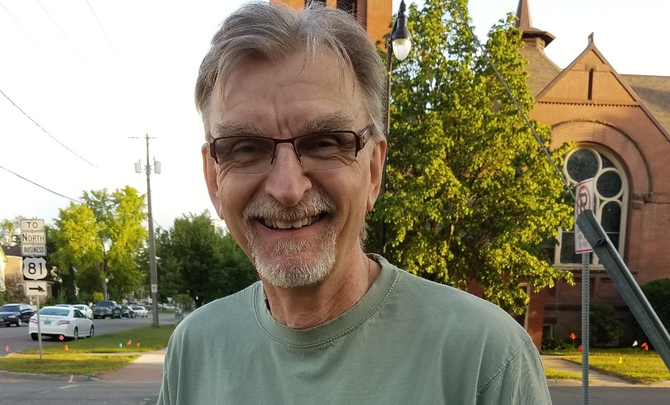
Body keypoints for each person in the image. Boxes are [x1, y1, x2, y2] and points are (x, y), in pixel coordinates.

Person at [157, 3, 552, 404]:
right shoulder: (194, 350)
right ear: (214, 179)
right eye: (245, 148)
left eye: (324, 143)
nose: (287, 188)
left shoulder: (486, 359)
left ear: (374, 170)